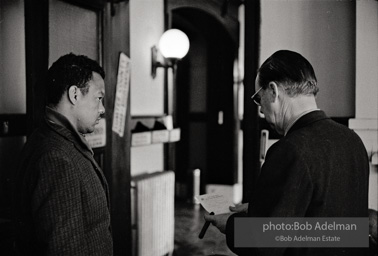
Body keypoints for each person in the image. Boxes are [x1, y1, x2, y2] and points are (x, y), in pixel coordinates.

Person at [205, 50, 370, 256]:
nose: (261, 111)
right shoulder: (352, 140)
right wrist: (262, 208)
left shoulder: (289, 150)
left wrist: (229, 223)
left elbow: (264, 243)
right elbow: (332, 227)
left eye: (258, 98)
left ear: (273, 91)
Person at [12, 53, 113, 255]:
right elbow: (63, 249)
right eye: (99, 98)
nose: (102, 109)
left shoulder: (52, 139)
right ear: (74, 94)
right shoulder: (56, 158)